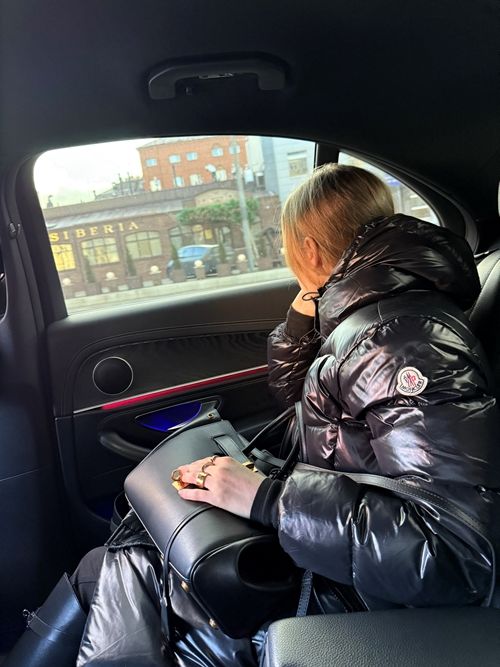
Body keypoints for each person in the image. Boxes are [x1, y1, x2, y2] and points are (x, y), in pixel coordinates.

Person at [6, 164, 500, 667]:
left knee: (130, 571)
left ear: (310, 250)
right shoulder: (370, 319)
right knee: (117, 561)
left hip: (361, 596)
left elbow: (456, 553)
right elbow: (309, 405)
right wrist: (303, 316)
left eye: (289, 251)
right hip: (336, 548)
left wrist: (267, 498)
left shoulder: (402, 346)